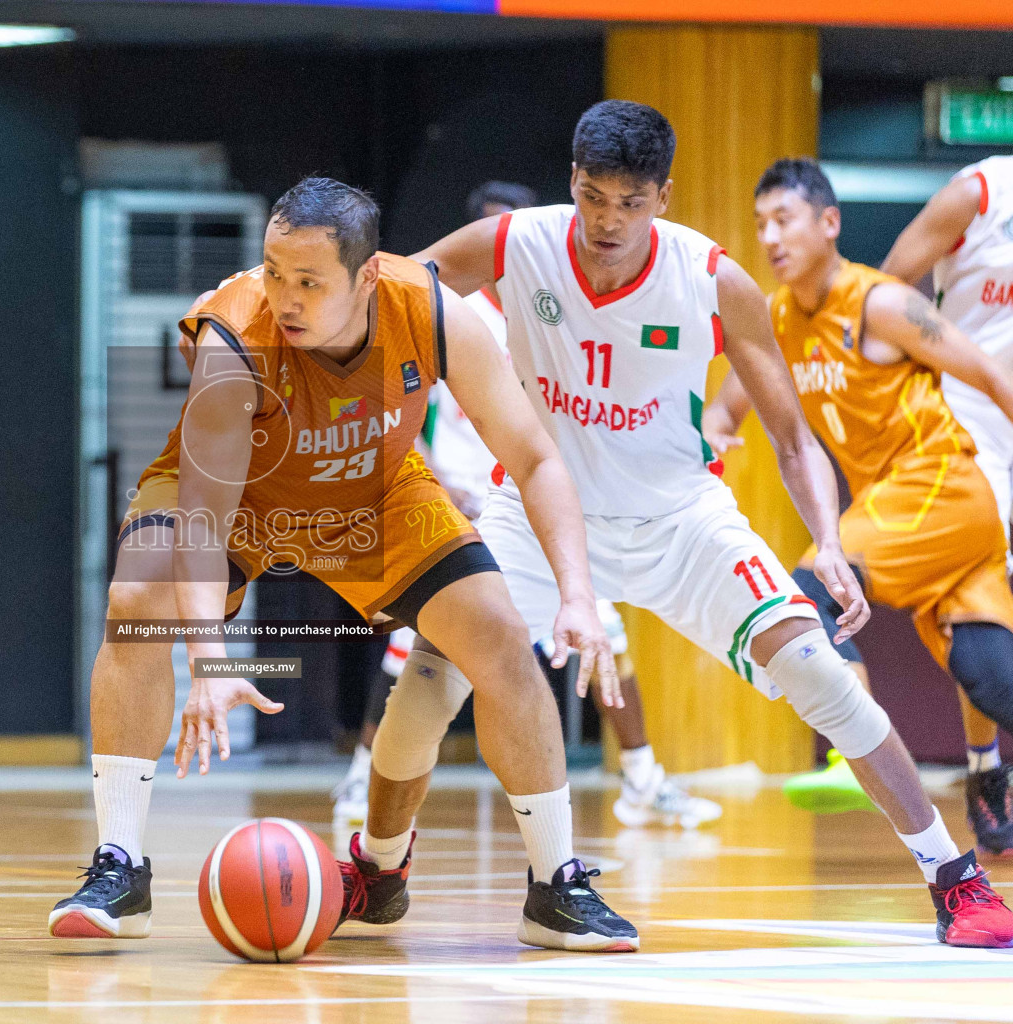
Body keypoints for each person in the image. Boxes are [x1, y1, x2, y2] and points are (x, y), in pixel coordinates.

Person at [340, 102, 1013, 949]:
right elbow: (396, 292)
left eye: (630, 202)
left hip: (681, 519)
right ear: (573, 184)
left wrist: (831, 543)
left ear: (664, 196)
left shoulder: (715, 278)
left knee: (819, 673)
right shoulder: (518, 242)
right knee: (433, 674)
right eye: (592, 197)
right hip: (539, 512)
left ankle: (955, 878)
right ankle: (378, 867)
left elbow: (792, 436)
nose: (607, 222)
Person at [49, 176, 639, 951]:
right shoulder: (235, 337)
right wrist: (210, 660)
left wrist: (577, 594)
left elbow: (535, 458)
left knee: (500, 634)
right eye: (272, 271)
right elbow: (202, 514)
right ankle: (120, 868)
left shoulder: (430, 311)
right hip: (242, 499)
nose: (284, 296)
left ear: (365, 277)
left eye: (307, 281)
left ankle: (554, 885)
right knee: (136, 603)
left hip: (376, 491)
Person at [333, 181, 719, 836]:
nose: (508, 247)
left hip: (533, 494)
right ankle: (360, 781)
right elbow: (398, 402)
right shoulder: (446, 309)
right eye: (493, 234)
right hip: (455, 498)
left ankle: (644, 780)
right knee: (417, 643)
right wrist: (423, 480)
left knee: (603, 629)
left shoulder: (553, 308)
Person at [700, 158, 1013, 860]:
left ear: (830, 223)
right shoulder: (776, 319)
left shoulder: (883, 305)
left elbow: (991, 374)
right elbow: (724, 411)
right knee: (993, 680)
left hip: (942, 485)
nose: (771, 237)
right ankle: (986, 772)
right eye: (760, 225)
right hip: (914, 510)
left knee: (808, 589)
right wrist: (704, 449)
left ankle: (847, 751)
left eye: (785, 219)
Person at [880, 156, 1013, 850]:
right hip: (972, 424)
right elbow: (884, 290)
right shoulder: (978, 194)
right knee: (985, 604)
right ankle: (987, 768)